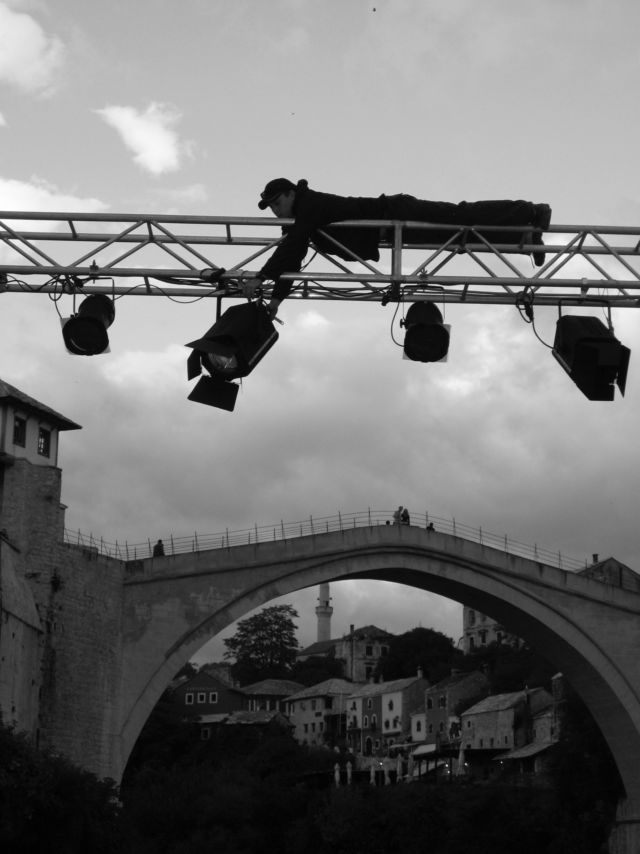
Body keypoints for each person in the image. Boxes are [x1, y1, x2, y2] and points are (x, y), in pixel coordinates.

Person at [241, 178, 552, 316]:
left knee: (462, 216)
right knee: (463, 238)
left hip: (398, 212)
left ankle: (531, 211)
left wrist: (261, 277)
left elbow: (292, 247)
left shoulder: (308, 205)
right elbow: (293, 257)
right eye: (270, 207)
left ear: (291, 194)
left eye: (277, 202)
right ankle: (526, 238)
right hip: (392, 230)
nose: (275, 210)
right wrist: (276, 299)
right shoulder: (300, 220)